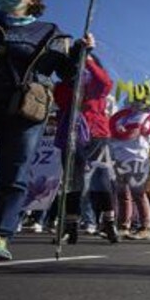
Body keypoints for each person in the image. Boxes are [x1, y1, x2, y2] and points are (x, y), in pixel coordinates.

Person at [0, 0, 93, 260]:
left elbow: (68, 74)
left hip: (26, 108)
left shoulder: (50, 33)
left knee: (14, 175)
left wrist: (81, 52)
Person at [52, 53, 119, 245]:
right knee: (73, 180)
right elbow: (62, 101)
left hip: (97, 134)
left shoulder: (98, 84)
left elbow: (105, 83)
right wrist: (71, 77)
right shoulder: (66, 84)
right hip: (73, 135)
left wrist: (88, 59)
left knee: (102, 179)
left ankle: (108, 223)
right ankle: (71, 227)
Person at [110, 102, 150, 240]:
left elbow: (140, 133)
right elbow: (114, 132)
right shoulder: (123, 117)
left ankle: (145, 228)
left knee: (138, 193)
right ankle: (123, 226)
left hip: (137, 158)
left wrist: (127, 130)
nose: (134, 102)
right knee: (122, 194)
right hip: (120, 157)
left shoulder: (147, 117)